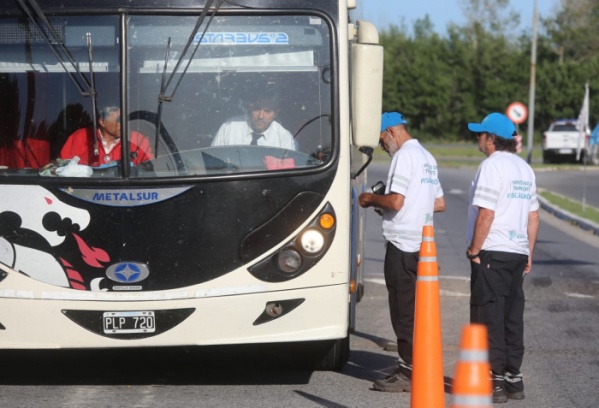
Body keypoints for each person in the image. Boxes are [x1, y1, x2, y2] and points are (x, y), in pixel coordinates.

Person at [358, 112, 445, 393]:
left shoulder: (403, 157)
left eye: (382, 140)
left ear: (392, 132)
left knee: (403, 310)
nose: (383, 147)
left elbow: (395, 201)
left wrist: (370, 199)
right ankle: (419, 363)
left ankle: (408, 371)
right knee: (420, 310)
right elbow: (439, 203)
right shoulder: (427, 158)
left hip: (402, 244)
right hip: (423, 245)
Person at [466, 112, 540, 403]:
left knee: (489, 315)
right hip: (518, 251)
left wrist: (474, 250)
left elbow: (486, 213)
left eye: (480, 134)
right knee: (512, 316)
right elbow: (533, 216)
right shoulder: (524, 169)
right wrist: (529, 252)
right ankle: (514, 377)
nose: (477, 139)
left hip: (492, 251)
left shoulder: (491, 166)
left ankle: (494, 379)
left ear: (492, 139)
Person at [60, 106, 153, 166]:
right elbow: (64, 168)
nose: (124, 124)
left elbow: (149, 171)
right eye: (118, 120)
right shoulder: (81, 136)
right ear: (102, 122)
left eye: (125, 119)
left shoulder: (138, 140)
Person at [211, 89, 296, 150]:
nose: (261, 116)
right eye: (257, 109)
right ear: (250, 108)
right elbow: (212, 161)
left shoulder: (285, 139)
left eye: (267, 111)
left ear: (276, 113)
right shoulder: (229, 127)